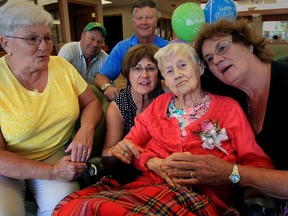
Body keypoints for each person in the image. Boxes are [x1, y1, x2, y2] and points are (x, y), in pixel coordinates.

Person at [52, 43, 273, 215]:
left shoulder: (228, 108)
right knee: (73, 207)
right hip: (145, 185)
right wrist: (150, 161)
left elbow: (256, 162)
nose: (176, 74)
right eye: (169, 70)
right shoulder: (159, 105)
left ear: (201, 67)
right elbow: (128, 145)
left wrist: (225, 174)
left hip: (197, 195)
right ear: (165, 79)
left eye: (183, 65)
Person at [160, 18, 288, 201]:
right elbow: (181, 80)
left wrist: (232, 173)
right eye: (209, 59)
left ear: (248, 44)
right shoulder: (229, 89)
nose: (217, 60)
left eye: (222, 48)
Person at [0, 1, 103, 215]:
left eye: (47, 38)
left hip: (55, 152)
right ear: (6, 43)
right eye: (32, 39)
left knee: (67, 210)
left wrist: (86, 129)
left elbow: (92, 102)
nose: (44, 47)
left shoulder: (62, 66)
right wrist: (52, 172)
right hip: (7, 166)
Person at [102, 44, 168, 156]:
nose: (144, 75)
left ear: (159, 73)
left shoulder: (167, 91)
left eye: (150, 68)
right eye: (137, 69)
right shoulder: (119, 105)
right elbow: (106, 151)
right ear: (128, 74)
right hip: (133, 162)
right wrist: (116, 151)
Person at [95, 0, 168, 101]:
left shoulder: (169, 48)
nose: (144, 22)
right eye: (139, 18)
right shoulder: (122, 48)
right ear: (133, 22)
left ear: (156, 20)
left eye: (149, 17)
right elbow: (101, 76)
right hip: (133, 105)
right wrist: (107, 87)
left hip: (165, 104)